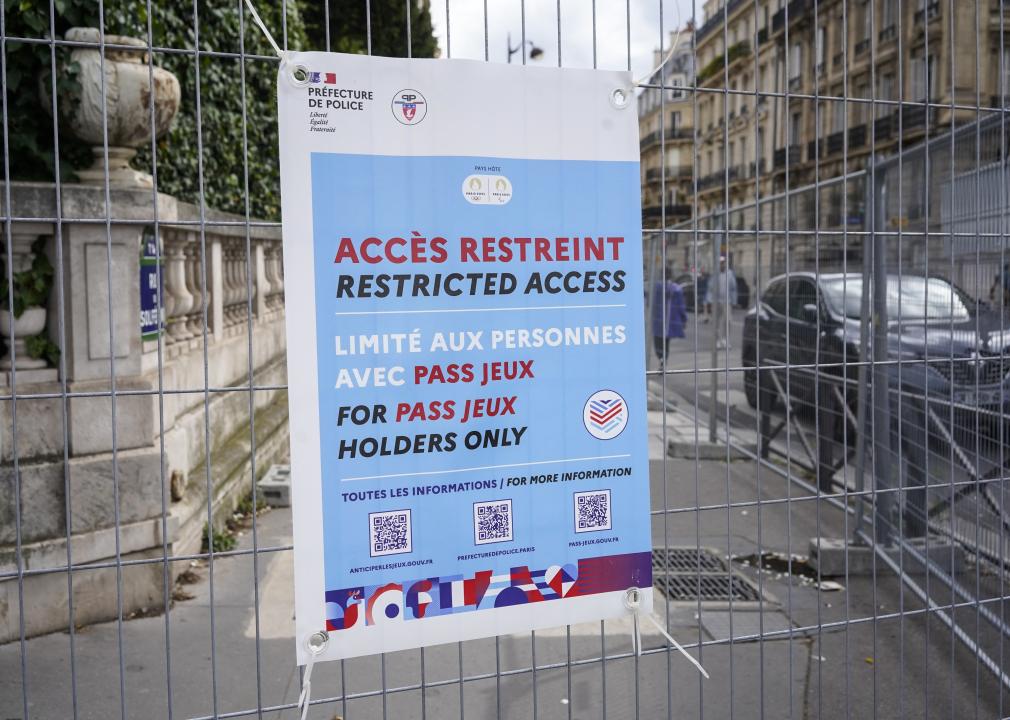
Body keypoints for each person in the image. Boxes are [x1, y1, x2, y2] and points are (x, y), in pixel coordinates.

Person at [650, 270, 688, 371]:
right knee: (665, 343)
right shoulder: (676, 288)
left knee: (658, 343)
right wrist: (684, 319)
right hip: (669, 322)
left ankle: (661, 359)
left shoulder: (656, 287)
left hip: (658, 321)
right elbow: (681, 306)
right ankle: (663, 360)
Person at [705, 255, 737, 350]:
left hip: (726, 301)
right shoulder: (715, 274)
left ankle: (725, 339)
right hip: (716, 301)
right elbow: (710, 288)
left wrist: (734, 301)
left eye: (723, 263)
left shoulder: (730, 274)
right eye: (720, 263)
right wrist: (709, 300)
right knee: (716, 322)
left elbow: (733, 288)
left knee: (728, 320)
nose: (722, 264)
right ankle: (717, 341)